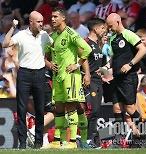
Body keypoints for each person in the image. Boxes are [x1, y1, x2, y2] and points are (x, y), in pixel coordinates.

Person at [2, 11, 53, 149]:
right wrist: (12, 27)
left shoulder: (44, 35)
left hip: (40, 73)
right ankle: (22, 143)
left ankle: (38, 142)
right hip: (24, 73)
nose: (42, 24)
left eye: (42, 21)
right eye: (39, 22)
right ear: (31, 22)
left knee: (40, 108)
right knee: (22, 108)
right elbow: (5, 44)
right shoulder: (22, 34)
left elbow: (54, 47)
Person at [45, 7, 92, 149]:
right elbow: (45, 57)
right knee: (58, 108)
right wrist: (49, 64)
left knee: (72, 107)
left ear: (63, 18)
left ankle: (72, 142)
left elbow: (87, 50)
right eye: (51, 17)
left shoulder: (71, 33)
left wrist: (77, 65)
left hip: (71, 77)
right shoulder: (52, 37)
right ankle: (56, 141)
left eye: (55, 17)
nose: (52, 19)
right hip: (57, 78)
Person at [105, 13, 146, 145]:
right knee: (116, 108)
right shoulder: (112, 39)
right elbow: (115, 57)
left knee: (129, 108)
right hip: (117, 78)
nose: (109, 29)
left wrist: (130, 64)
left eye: (111, 26)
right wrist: (107, 65)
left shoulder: (129, 34)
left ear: (118, 22)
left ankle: (145, 134)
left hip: (129, 77)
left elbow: (142, 49)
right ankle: (118, 140)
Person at [83, 18, 107, 148]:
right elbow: (82, 61)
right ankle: (84, 139)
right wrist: (86, 75)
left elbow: (97, 65)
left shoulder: (97, 45)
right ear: (96, 29)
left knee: (96, 111)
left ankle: (90, 140)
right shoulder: (85, 43)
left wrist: (104, 74)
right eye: (103, 28)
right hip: (90, 81)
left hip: (98, 81)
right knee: (91, 111)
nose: (105, 31)